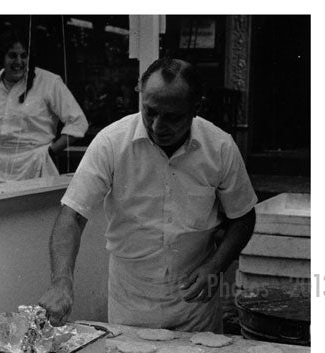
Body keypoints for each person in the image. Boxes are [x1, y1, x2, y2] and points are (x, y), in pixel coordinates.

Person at [39, 57, 257, 333]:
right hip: (131, 301)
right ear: (141, 96)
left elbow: (243, 217)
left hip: (196, 304)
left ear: (196, 108)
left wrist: (216, 267)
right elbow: (72, 216)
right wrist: (62, 282)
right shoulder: (111, 142)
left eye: (172, 117)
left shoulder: (220, 147)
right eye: (150, 111)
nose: (157, 126)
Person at [0, 28, 88, 187]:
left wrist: (50, 152)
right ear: (1, 57)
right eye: (12, 55)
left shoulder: (49, 82)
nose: (19, 61)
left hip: (33, 165)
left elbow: (78, 122)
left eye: (24, 55)